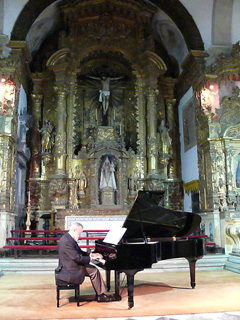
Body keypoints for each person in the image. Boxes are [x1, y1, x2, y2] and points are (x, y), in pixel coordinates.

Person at [56, 221, 112, 302]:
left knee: (93, 269)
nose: (80, 235)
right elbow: (77, 258)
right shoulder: (68, 241)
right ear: (75, 230)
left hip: (70, 264)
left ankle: (100, 293)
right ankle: (101, 295)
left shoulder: (68, 238)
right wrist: (91, 258)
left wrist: (92, 254)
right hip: (70, 268)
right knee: (94, 271)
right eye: (80, 232)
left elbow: (79, 252)